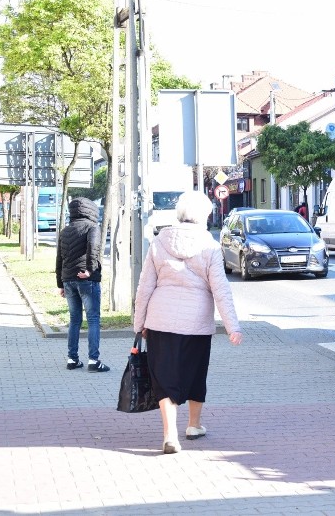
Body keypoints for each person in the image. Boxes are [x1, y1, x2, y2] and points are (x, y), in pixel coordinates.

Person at [133, 190, 243, 454]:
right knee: (194, 373)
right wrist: (232, 327)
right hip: (196, 322)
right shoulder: (210, 245)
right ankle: (194, 425)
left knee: (165, 376)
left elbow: (144, 286)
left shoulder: (159, 242)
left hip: (160, 320)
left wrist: (139, 323)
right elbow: (220, 289)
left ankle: (170, 434)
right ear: (203, 215)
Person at [56, 197, 109, 372]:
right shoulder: (92, 227)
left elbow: (59, 258)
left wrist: (60, 284)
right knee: (93, 319)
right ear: (90, 210)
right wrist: (90, 271)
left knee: (74, 320)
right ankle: (93, 361)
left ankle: (72, 359)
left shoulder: (64, 231)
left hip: (68, 280)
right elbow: (93, 248)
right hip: (86, 280)